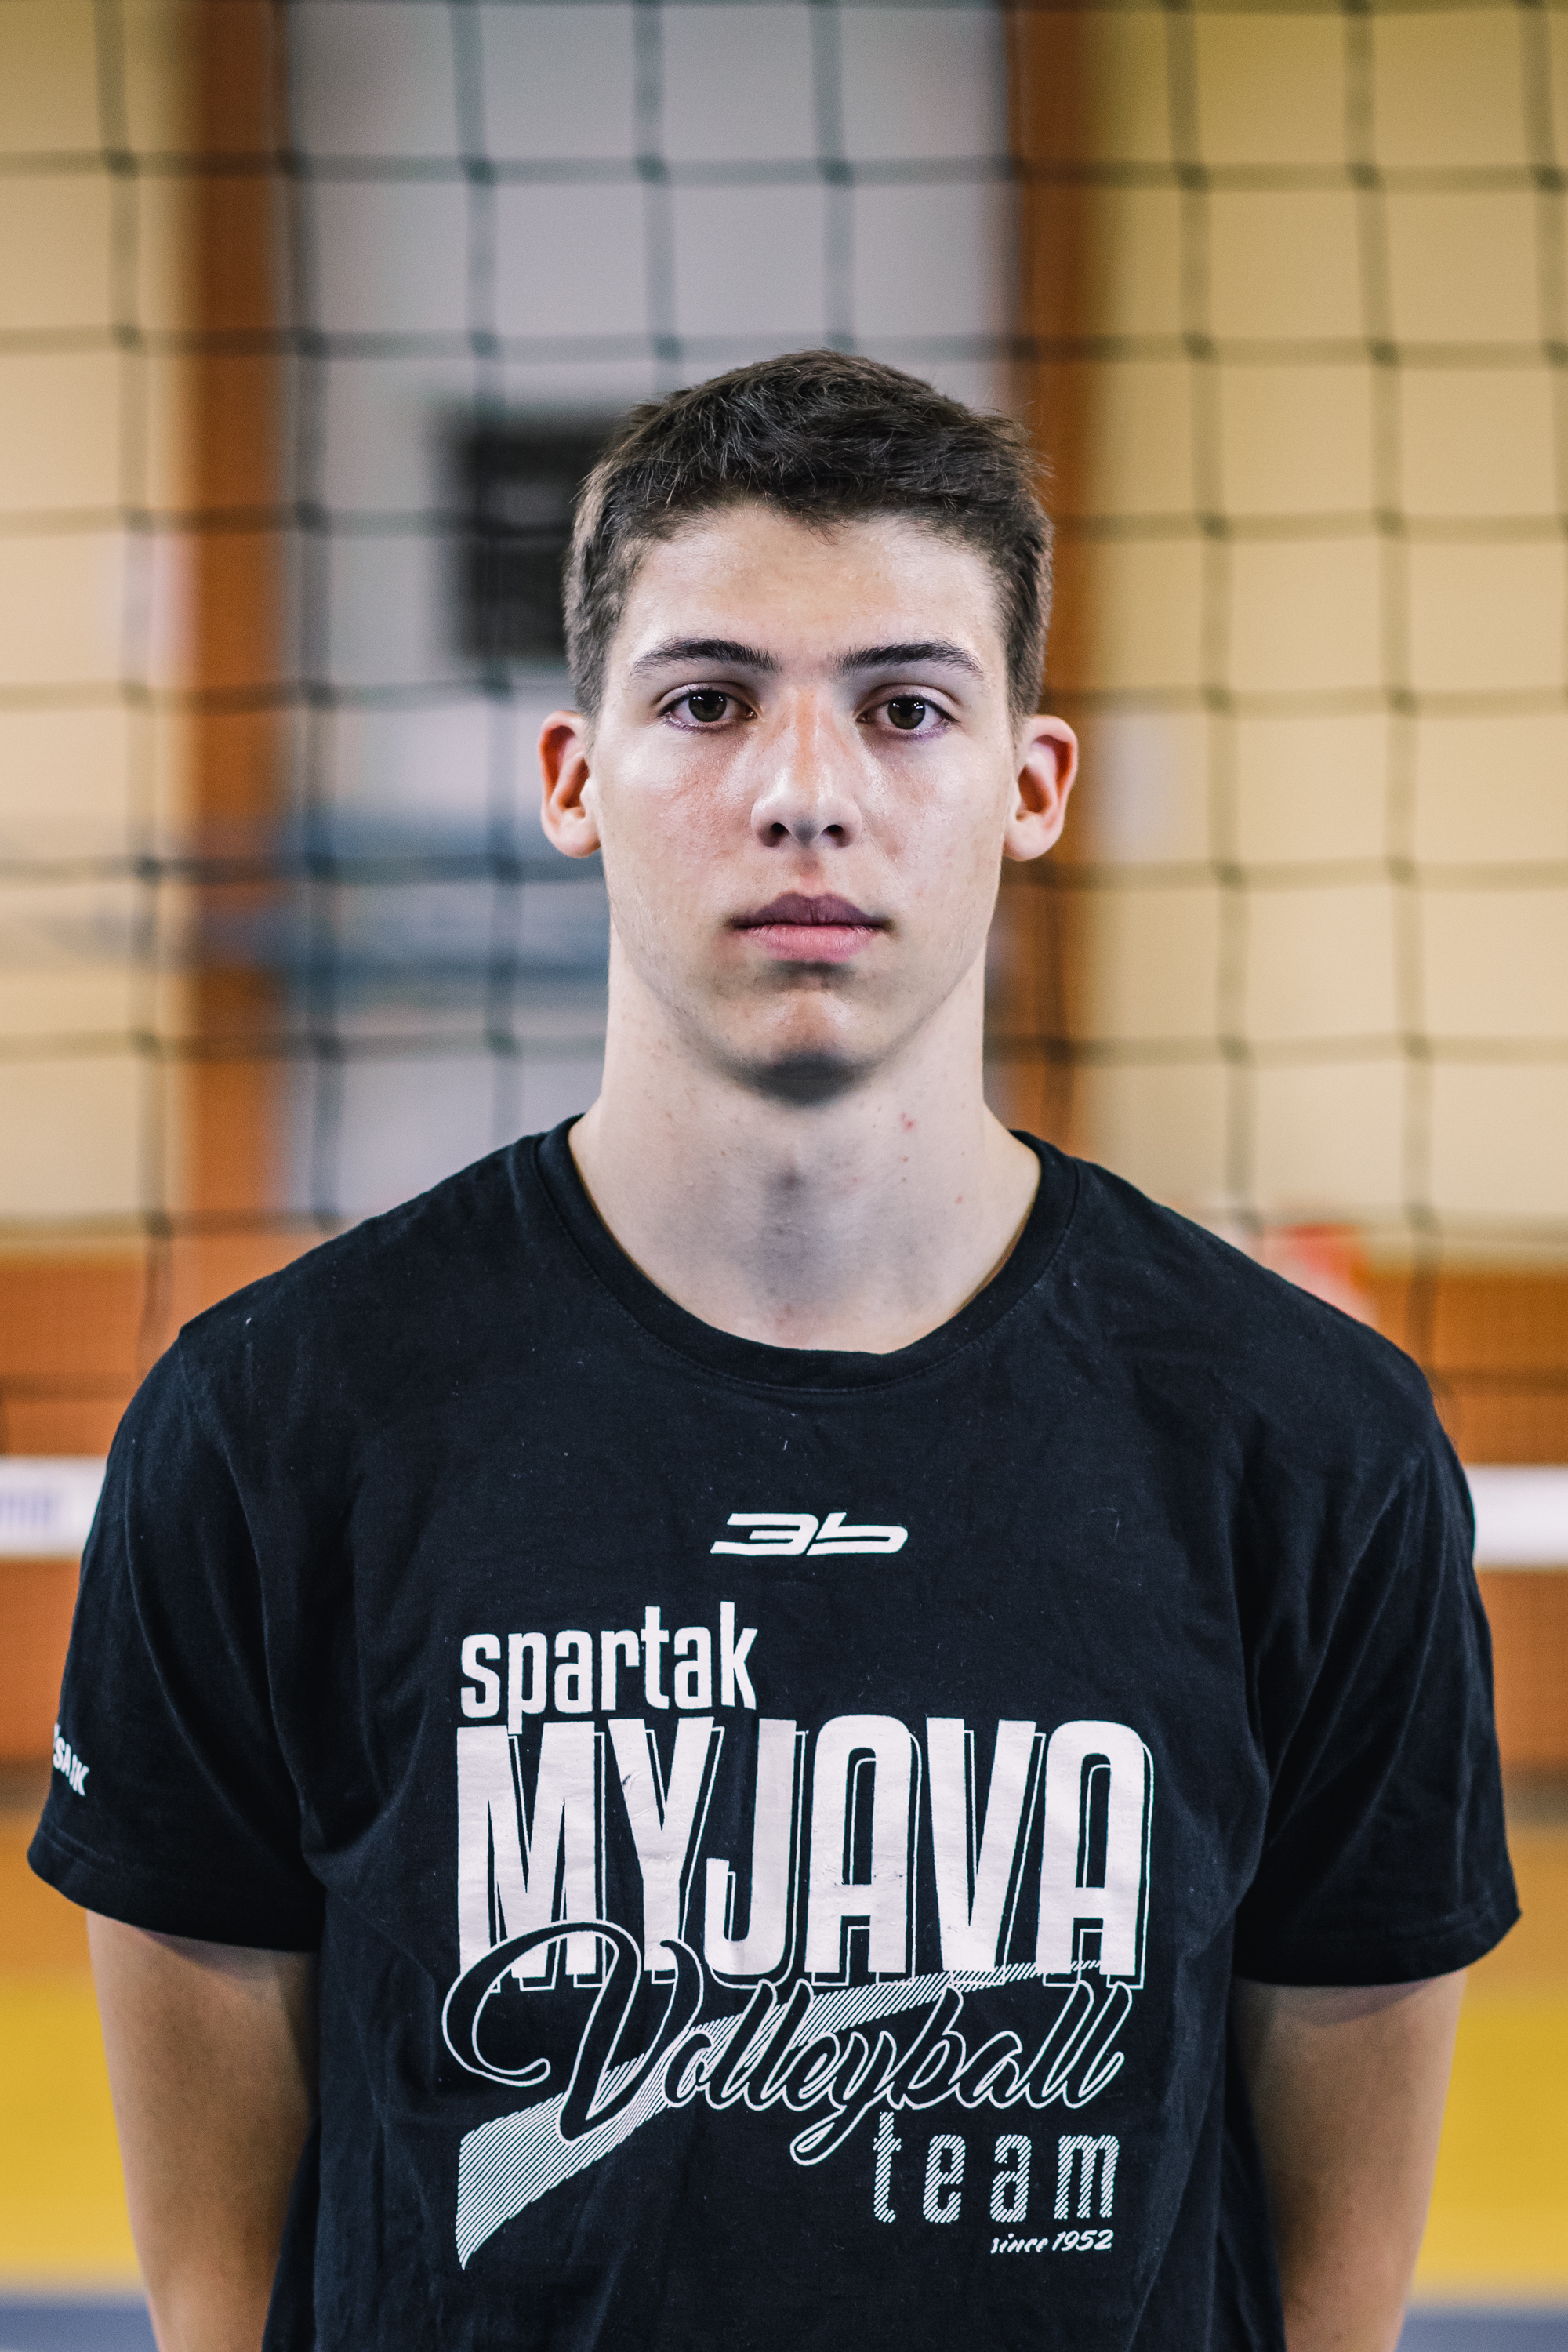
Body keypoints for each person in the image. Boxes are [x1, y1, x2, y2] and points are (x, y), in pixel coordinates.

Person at [31, 351, 1515, 2352]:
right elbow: (222, 2280)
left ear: (1029, 785)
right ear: (574, 775)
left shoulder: (1311, 1443)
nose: (804, 788)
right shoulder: (268, 1424)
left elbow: (1332, 2263)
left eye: (905, 708)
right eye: (708, 700)